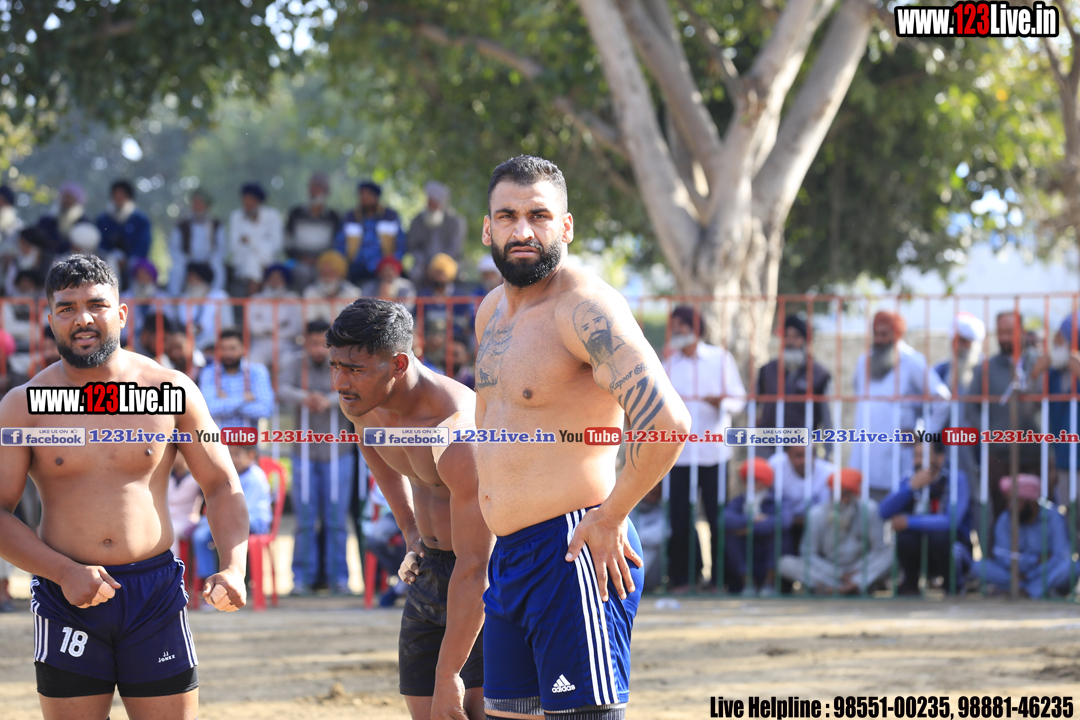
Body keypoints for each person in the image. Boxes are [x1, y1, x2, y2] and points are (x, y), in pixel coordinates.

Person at [474, 155, 690, 719]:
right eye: (508, 216)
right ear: (488, 228)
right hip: (509, 558)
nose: (523, 230)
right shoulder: (491, 311)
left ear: (566, 226)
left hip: (573, 551)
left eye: (539, 215)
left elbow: (668, 423)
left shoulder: (583, 308)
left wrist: (612, 516)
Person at [0, 254, 251, 718]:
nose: (83, 319)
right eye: (67, 308)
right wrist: (63, 572)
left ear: (121, 313)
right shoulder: (24, 405)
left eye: (96, 304)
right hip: (65, 595)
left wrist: (234, 567)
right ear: (49, 319)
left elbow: (221, 484)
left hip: (154, 593)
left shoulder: (170, 390)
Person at [328, 298, 493, 719]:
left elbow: (477, 564)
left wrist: (449, 674)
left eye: (355, 369)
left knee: (468, 710)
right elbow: (377, 455)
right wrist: (410, 531)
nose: (340, 382)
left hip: (481, 577)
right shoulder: (362, 404)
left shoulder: (456, 427)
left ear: (398, 364)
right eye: (335, 366)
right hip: (429, 569)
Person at [661, 304, 746, 592]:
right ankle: (685, 578)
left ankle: (721, 579)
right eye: (674, 326)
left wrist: (721, 402)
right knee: (680, 517)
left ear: (696, 328)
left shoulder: (720, 358)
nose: (677, 331)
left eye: (682, 326)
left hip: (714, 451)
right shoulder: (668, 364)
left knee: (716, 516)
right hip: (678, 453)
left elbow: (739, 398)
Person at [278, 320, 355, 596]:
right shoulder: (295, 364)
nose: (318, 350)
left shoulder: (344, 363)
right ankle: (301, 579)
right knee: (305, 520)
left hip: (338, 451)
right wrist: (305, 397)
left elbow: (356, 389)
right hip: (304, 452)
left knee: (336, 519)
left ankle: (339, 579)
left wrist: (329, 400)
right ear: (305, 342)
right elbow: (281, 388)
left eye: (323, 344)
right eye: (313, 343)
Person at [851, 310, 951, 501]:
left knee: (895, 504)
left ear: (897, 334)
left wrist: (923, 435)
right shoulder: (864, 361)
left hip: (896, 455)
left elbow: (942, 399)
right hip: (864, 453)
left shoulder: (912, 361)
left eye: (885, 334)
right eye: (876, 334)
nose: (879, 340)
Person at [965, 311, 1042, 524]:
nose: (1004, 338)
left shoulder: (1040, 363)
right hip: (999, 455)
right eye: (1000, 332)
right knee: (1002, 515)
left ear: (1022, 332)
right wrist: (989, 433)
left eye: (1010, 332)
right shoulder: (985, 369)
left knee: (1037, 514)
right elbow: (971, 408)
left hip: (1035, 453)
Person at [879, 440, 973, 595]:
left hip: (952, 548)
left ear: (940, 458)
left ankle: (953, 586)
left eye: (922, 456)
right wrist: (910, 487)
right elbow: (883, 511)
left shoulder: (955, 479)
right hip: (922, 550)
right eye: (915, 456)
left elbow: (951, 521)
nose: (917, 461)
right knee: (904, 538)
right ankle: (911, 586)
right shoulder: (910, 479)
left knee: (938, 537)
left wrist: (909, 522)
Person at [778, 469, 893, 595]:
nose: (838, 500)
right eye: (835, 494)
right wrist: (838, 574)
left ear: (854, 496)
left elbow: (879, 549)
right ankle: (847, 587)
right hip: (828, 571)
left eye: (844, 495)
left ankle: (850, 586)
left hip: (859, 569)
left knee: (891, 555)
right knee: (785, 564)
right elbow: (808, 553)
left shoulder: (869, 510)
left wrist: (858, 570)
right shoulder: (816, 514)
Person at [971, 474, 1080, 597]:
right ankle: (1035, 590)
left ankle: (1025, 591)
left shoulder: (1053, 518)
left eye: (1016, 501)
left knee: (1072, 567)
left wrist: (1030, 574)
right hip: (1015, 574)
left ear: (1031, 501)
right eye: (1009, 501)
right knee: (979, 566)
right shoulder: (1006, 518)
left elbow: (1060, 556)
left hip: (1043, 573)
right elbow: (1002, 554)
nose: (1010, 506)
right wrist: (1034, 561)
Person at [190, 445, 271, 592]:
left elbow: (242, 511)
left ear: (251, 455)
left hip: (253, 521)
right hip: (231, 518)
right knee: (200, 535)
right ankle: (207, 579)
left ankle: (228, 580)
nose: (232, 459)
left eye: (237, 454)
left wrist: (217, 519)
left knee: (216, 529)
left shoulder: (255, 477)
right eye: (230, 454)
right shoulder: (229, 475)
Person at [1031, 315, 1080, 506]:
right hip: (1064, 458)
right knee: (1070, 513)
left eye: (1060, 336)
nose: (1054, 340)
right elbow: (1029, 408)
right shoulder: (1052, 374)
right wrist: (1035, 375)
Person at [724, 458, 791, 596]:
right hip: (747, 556)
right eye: (746, 480)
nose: (750, 485)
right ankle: (748, 583)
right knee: (730, 537)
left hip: (769, 555)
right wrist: (753, 519)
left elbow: (783, 521)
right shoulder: (740, 500)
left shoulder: (778, 500)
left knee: (778, 535)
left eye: (755, 480)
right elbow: (724, 520)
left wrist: (748, 530)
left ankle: (769, 584)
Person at [757, 315, 832, 433]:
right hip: (768, 439)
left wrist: (828, 442)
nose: (790, 341)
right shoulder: (767, 370)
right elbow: (753, 406)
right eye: (786, 336)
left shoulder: (819, 374)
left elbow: (827, 415)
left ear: (805, 340)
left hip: (801, 440)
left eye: (796, 336)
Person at [197, 328, 275, 430]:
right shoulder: (209, 372)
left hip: (247, 437)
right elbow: (208, 409)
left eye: (232, 348)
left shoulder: (257, 372)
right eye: (223, 348)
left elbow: (265, 410)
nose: (227, 353)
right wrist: (242, 399)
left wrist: (225, 401)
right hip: (218, 437)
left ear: (244, 348)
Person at [334, 180, 406, 284]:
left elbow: (401, 244)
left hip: (384, 266)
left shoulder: (390, 216)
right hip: (355, 267)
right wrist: (343, 263)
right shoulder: (350, 217)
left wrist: (392, 263)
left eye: (368, 194)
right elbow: (339, 244)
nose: (365, 198)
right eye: (362, 195)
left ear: (376, 196)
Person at [768, 443, 835, 554]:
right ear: (787, 455)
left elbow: (825, 512)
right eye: (799, 456)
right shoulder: (775, 465)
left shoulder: (828, 472)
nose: (805, 461)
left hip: (814, 526)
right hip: (782, 524)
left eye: (809, 455)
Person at [285, 171, 341, 293]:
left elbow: (337, 244)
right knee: (301, 272)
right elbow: (287, 243)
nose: (314, 192)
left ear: (326, 192)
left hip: (324, 263)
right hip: (299, 262)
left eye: (319, 188)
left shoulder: (333, 217)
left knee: (328, 274)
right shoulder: (295, 214)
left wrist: (321, 260)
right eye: (312, 188)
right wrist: (301, 258)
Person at [167, 190, 227, 297]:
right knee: (176, 269)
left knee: (218, 268)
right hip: (188, 260)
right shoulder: (182, 225)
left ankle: (215, 297)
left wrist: (213, 258)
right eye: (195, 202)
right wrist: (184, 258)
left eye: (200, 202)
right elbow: (174, 248)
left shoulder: (216, 224)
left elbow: (222, 247)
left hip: (209, 260)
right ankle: (175, 299)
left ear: (206, 205)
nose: (197, 205)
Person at [407, 180, 466, 288]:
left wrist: (439, 265)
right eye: (429, 201)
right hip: (423, 264)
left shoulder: (455, 221)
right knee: (415, 274)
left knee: (458, 274)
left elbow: (455, 248)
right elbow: (413, 247)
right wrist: (426, 264)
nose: (431, 205)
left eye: (434, 202)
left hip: (448, 261)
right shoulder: (417, 221)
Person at [228, 182, 283, 297]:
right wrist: (259, 247)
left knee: (255, 263)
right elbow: (235, 247)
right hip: (243, 263)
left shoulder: (272, 216)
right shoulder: (236, 217)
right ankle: (254, 302)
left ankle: (252, 302)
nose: (247, 203)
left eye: (250, 199)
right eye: (244, 200)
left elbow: (276, 245)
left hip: (269, 261)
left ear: (258, 201)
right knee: (252, 263)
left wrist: (250, 242)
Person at [96, 180, 152, 289]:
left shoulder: (140, 220)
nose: (119, 198)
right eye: (116, 195)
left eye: (122, 195)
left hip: (133, 261)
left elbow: (143, 244)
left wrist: (128, 260)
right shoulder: (103, 219)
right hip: (108, 261)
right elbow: (101, 243)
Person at [247, 263, 303, 369]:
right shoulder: (255, 299)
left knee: (288, 362)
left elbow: (294, 329)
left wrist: (268, 330)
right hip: (260, 344)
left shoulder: (293, 300)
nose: (275, 281)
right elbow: (252, 327)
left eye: (279, 278)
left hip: (286, 345)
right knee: (252, 364)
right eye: (272, 277)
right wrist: (277, 327)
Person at [173, 262, 232, 352]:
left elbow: (227, 326)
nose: (191, 281)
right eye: (189, 278)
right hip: (187, 343)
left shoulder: (220, 296)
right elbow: (181, 324)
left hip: (214, 342)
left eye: (195, 278)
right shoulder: (184, 298)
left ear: (203, 279)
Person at [302, 250, 362, 323]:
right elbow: (310, 321)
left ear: (341, 274)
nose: (327, 278)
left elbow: (353, 322)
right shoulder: (310, 292)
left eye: (331, 273)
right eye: (324, 273)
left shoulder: (353, 293)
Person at [37, 182, 89, 255]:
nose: (67, 201)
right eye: (65, 197)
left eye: (71, 198)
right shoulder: (47, 221)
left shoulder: (84, 223)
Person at [167, 452, 202, 559]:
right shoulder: (166, 475)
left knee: (170, 531)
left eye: (176, 454)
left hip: (185, 520)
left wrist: (198, 519)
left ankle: (173, 565)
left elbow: (204, 502)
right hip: (165, 517)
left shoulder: (196, 477)